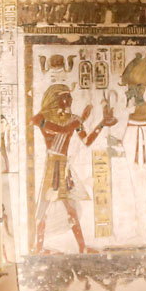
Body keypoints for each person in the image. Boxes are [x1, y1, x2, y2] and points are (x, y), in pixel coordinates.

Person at [32, 84, 108, 252]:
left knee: (71, 210)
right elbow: (62, 130)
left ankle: (82, 248)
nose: (67, 101)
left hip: (64, 167)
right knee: (43, 209)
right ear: (54, 99)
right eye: (63, 98)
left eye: (69, 97)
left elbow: (87, 141)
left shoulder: (73, 119)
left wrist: (102, 124)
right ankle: (38, 248)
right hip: (53, 166)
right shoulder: (41, 117)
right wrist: (79, 120)